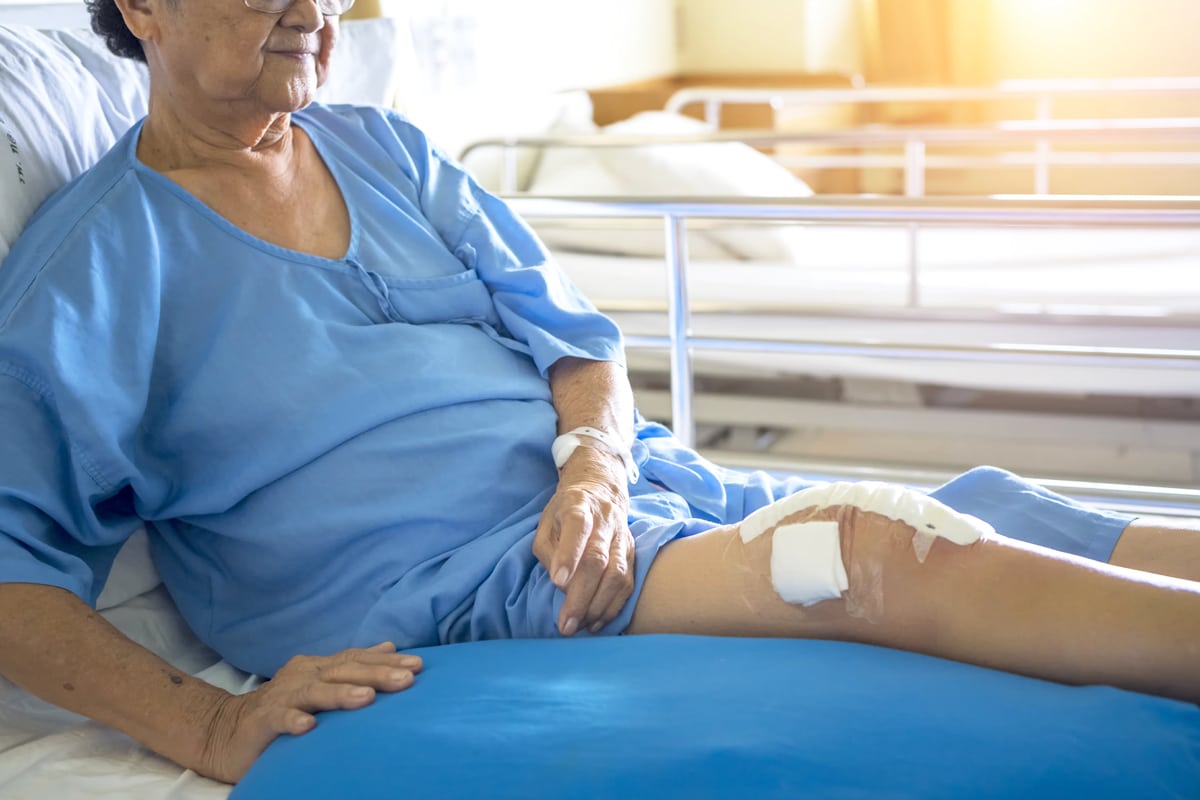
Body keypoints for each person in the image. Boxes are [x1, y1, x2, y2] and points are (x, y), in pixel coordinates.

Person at [0, 0, 1197, 786]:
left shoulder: (383, 150)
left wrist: (599, 464)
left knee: (1008, 510)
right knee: (865, 553)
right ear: (143, 7)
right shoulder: (95, 269)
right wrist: (207, 726)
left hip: (633, 492)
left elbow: (581, 347)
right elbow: (14, 576)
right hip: (475, 588)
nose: (314, 6)